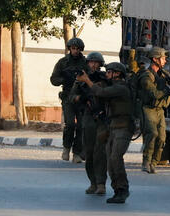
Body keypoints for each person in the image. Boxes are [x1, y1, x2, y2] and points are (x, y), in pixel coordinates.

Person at [77, 62, 131, 204]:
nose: (106, 74)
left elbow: (101, 93)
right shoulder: (112, 86)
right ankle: (117, 190)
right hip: (113, 126)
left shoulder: (121, 88)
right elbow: (98, 95)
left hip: (124, 127)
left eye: (109, 72)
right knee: (110, 160)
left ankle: (123, 189)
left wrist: (87, 80)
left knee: (115, 157)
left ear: (117, 73)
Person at [70, 51, 108, 195]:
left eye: (96, 62)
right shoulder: (80, 80)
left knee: (101, 152)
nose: (93, 65)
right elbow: (71, 97)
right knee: (90, 152)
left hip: (102, 118)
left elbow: (105, 93)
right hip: (88, 117)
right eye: (91, 62)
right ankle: (93, 182)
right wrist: (80, 98)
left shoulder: (104, 78)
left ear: (100, 64)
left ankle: (101, 183)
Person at [49, 37, 87, 162]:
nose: (75, 51)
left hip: (81, 97)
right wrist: (64, 79)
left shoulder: (85, 62)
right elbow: (53, 79)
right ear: (70, 49)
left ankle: (77, 152)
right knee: (70, 124)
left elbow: (92, 77)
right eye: (73, 48)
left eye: (77, 49)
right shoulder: (63, 62)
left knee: (82, 126)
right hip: (68, 96)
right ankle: (66, 147)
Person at [138, 47, 170, 173]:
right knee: (152, 134)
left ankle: (154, 163)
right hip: (148, 109)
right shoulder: (146, 76)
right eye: (163, 58)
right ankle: (146, 162)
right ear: (155, 59)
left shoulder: (163, 74)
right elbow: (154, 93)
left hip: (159, 110)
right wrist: (168, 90)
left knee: (162, 138)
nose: (165, 60)